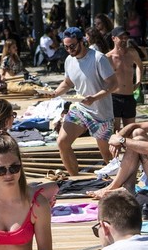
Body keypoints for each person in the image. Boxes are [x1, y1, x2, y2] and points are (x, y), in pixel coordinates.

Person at [50, 27, 118, 175]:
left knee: (107, 155)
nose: (69, 50)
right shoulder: (69, 60)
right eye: (66, 47)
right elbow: (68, 83)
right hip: (80, 109)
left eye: (72, 46)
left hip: (101, 113)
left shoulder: (98, 58)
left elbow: (113, 83)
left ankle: (120, 183)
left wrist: (94, 97)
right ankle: (75, 178)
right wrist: (54, 93)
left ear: (82, 41)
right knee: (62, 142)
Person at [107, 27, 144, 130]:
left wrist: (138, 82)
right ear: (113, 38)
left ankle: (129, 146)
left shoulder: (132, 53)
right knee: (116, 130)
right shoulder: (108, 57)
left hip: (129, 96)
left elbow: (140, 66)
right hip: (114, 97)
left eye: (125, 37)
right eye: (121, 37)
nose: (124, 39)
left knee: (130, 130)